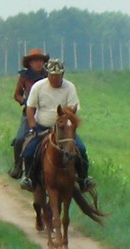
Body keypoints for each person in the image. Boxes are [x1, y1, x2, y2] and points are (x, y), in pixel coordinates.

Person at [20, 59, 95, 192]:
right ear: (47, 74)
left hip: (64, 130)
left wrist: (64, 122)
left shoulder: (70, 87)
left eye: (58, 75)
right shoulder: (38, 86)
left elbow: (73, 109)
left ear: (63, 74)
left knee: (81, 149)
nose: (55, 78)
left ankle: (84, 179)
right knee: (29, 149)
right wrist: (32, 126)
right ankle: (29, 178)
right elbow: (30, 108)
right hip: (42, 128)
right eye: (52, 75)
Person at [8, 48, 49, 179]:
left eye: (40, 60)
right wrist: (24, 101)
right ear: (30, 63)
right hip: (29, 114)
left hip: (47, 112)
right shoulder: (24, 77)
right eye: (35, 60)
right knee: (20, 139)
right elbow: (17, 94)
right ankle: (18, 166)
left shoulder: (49, 76)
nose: (38, 63)